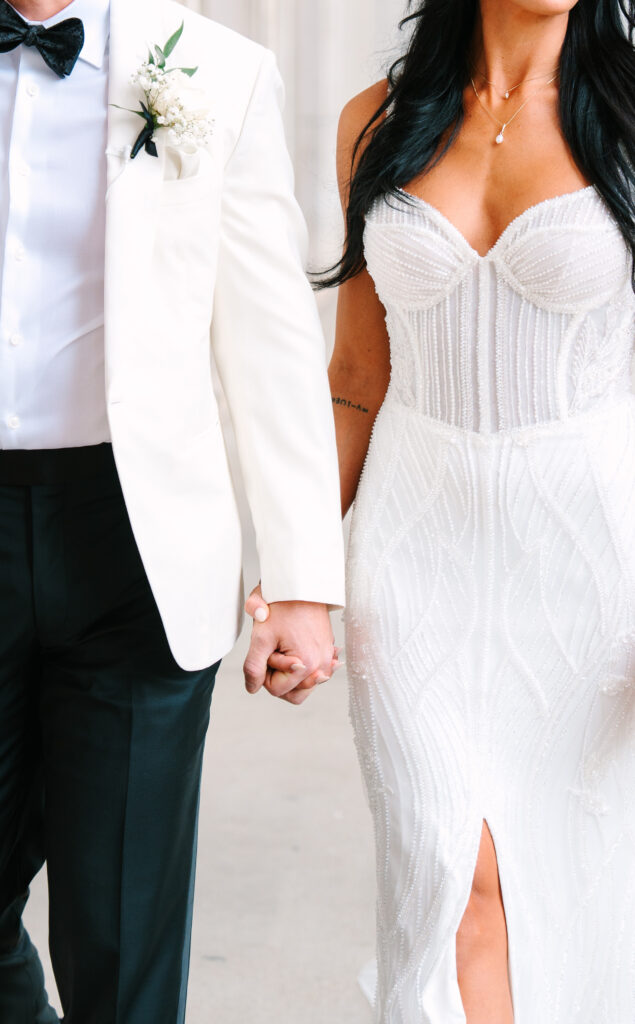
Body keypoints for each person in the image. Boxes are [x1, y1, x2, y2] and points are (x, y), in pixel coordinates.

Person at [0, 1, 345, 1022]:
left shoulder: (219, 72)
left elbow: (269, 338)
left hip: (137, 542)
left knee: (119, 943)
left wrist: (301, 581)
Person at [325, 0, 635, 1020]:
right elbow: (357, 375)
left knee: (564, 882)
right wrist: (296, 576)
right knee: (447, 875)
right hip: (412, 558)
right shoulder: (377, 121)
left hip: (587, 564)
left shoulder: (627, 115)